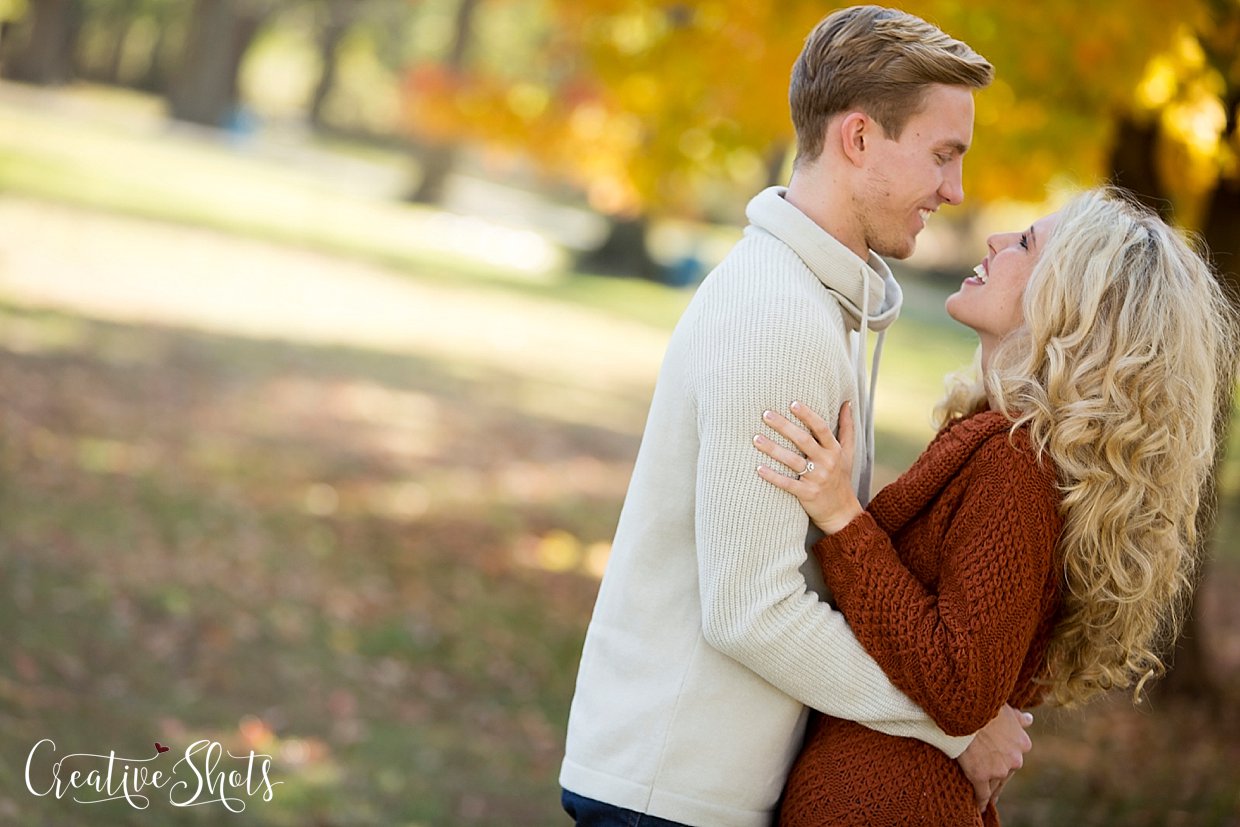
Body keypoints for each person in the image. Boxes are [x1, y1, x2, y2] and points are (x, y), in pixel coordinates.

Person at [560, 7, 1032, 827]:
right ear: (858, 139)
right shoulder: (776, 316)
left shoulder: (816, 300)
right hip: (668, 793)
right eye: (943, 155)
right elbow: (753, 609)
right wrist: (953, 728)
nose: (954, 191)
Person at [753, 187, 1239, 826]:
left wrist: (843, 518)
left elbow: (959, 684)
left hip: (889, 804)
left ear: (1069, 308)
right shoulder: (1004, 443)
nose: (995, 241)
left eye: (1027, 244)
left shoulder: (1017, 466)